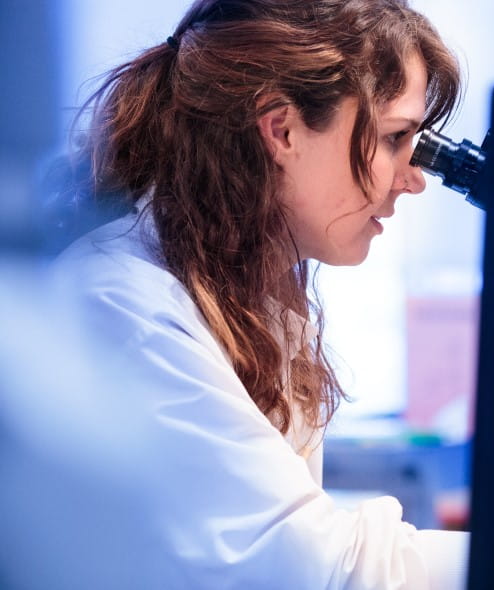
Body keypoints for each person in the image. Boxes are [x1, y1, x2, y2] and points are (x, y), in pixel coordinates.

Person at [4, 0, 469, 588]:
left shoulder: (253, 296)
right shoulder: (127, 308)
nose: (415, 177)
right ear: (282, 130)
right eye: (395, 137)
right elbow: (317, 572)